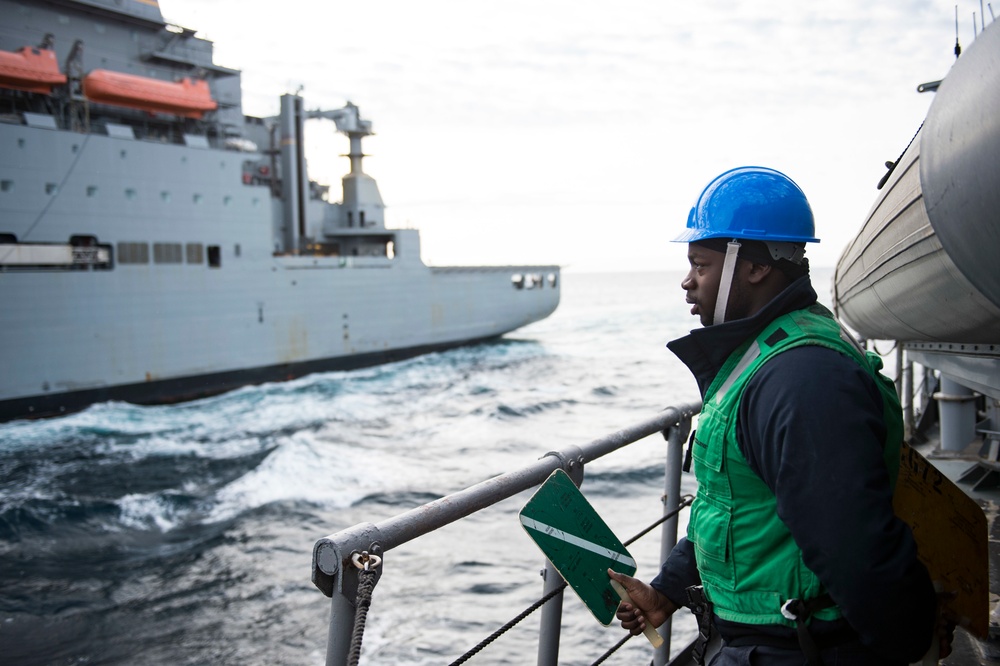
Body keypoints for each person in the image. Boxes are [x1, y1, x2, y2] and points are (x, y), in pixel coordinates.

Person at [608, 166, 941, 665]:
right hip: (754, 638)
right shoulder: (763, 355)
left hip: (793, 648)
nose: (687, 281)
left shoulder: (803, 377)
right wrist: (668, 592)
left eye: (700, 264)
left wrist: (914, 642)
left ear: (756, 267)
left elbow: (852, 544)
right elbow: (735, 504)